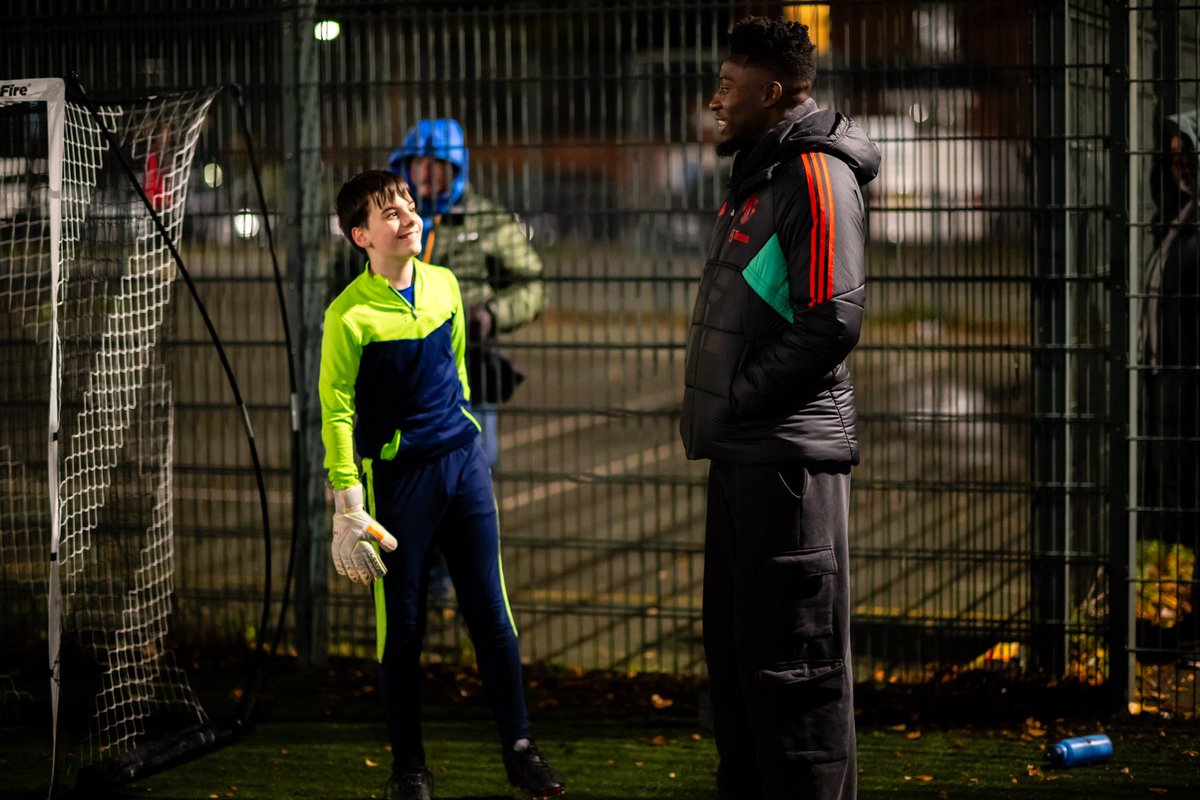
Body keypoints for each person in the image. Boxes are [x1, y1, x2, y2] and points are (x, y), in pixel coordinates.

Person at [678, 17, 879, 800]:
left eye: (729, 85)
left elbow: (833, 317)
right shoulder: (762, 173)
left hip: (787, 466)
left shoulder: (815, 177)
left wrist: (738, 402)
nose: (715, 100)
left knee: (795, 677)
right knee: (740, 669)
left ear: (771, 92)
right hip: (745, 457)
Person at [319, 170, 566, 800]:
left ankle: (519, 747)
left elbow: (455, 371)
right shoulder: (347, 317)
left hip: (464, 467)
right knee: (402, 625)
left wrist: (465, 443)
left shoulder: (446, 285)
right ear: (361, 237)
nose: (407, 217)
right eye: (390, 213)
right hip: (397, 485)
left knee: (492, 612)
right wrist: (348, 503)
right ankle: (410, 768)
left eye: (408, 205)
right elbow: (338, 410)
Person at [389, 118, 545, 607]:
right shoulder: (390, 218)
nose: (428, 174)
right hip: (402, 378)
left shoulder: (488, 222)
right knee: (407, 479)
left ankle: (469, 585)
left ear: (457, 169)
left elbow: (531, 283)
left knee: (471, 478)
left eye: (440, 165)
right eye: (420, 162)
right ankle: (426, 585)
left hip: (465, 378)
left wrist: (492, 314)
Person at [1138, 110, 1199, 647]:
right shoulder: (1177, 216)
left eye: (1186, 150)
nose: (1177, 159)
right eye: (1172, 149)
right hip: (1172, 377)